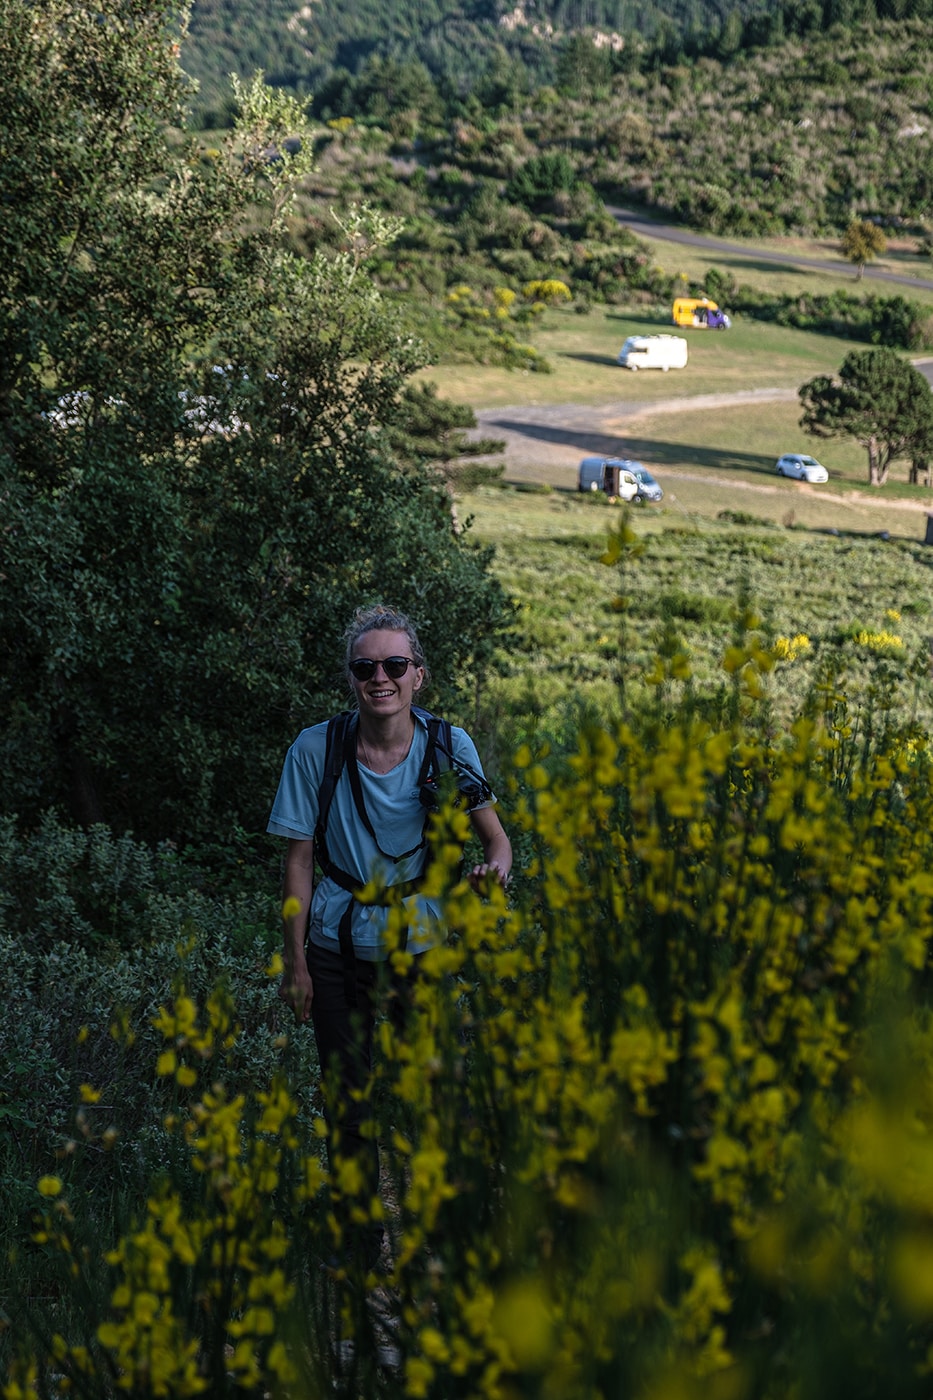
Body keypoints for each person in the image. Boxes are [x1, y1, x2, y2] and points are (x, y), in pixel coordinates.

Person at [267, 604, 511, 1270]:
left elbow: (497, 842)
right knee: (348, 1103)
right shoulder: (314, 749)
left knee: (430, 1095)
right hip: (336, 954)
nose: (380, 677)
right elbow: (297, 861)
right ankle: (358, 1244)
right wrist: (297, 966)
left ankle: (443, 1227)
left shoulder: (447, 746)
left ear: (417, 676)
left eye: (394, 665)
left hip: (422, 948)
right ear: (351, 679)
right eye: (365, 667)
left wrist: (492, 875)